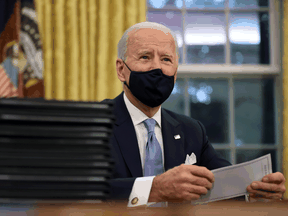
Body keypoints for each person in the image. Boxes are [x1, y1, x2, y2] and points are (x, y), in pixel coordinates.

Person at [107, 21, 286, 207]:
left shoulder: (191, 130)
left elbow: (224, 183)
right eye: (145, 57)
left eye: (166, 60)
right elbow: (80, 189)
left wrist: (255, 193)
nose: (157, 68)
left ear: (175, 72)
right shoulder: (91, 124)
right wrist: (155, 188)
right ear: (121, 70)